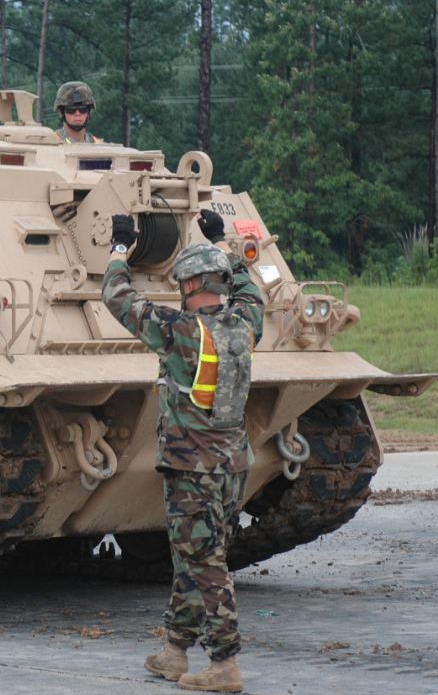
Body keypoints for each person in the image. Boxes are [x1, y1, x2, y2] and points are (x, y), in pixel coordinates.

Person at [101, 210, 264, 693]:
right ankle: (175, 649)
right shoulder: (245, 325)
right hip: (233, 465)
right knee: (194, 556)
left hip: (191, 469)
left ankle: (224, 663)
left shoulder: (180, 332)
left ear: (190, 284)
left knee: (202, 560)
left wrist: (118, 250)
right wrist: (222, 244)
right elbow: (252, 292)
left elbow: (117, 296)